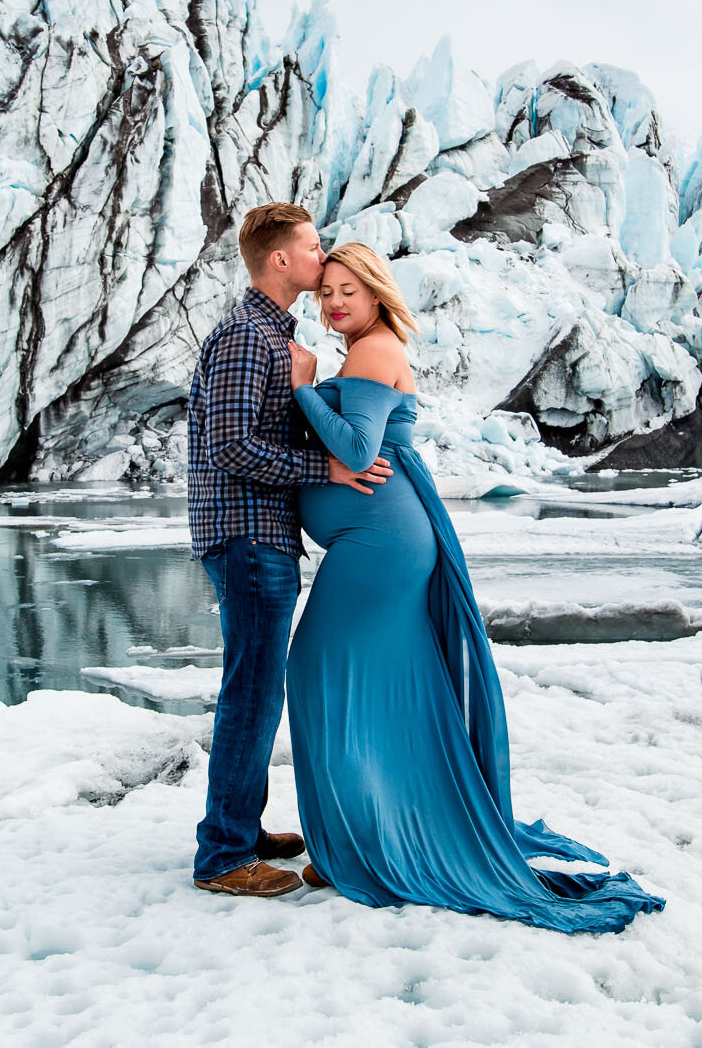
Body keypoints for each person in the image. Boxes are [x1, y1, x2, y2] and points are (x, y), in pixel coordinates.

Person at [285, 242, 665, 932]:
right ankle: (367, 836)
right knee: (384, 692)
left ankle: (360, 844)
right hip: (382, 541)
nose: (335, 301)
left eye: (348, 289)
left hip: (379, 545)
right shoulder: (369, 344)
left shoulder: (370, 351)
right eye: (327, 291)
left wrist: (301, 387)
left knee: (318, 670)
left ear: (375, 291)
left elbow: (360, 451)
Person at [187, 204, 393, 897]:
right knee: (250, 690)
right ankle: (221, 855)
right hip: (247, 535)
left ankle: (240, 827)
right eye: (311, 245)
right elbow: (231, 445)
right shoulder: (249, 337)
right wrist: (328, 471)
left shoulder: (274, 337)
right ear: (281, 259)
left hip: (261, 535)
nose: (319, 254)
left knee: (256, 685)